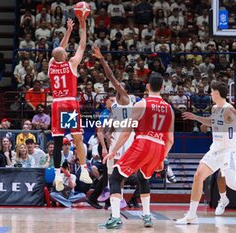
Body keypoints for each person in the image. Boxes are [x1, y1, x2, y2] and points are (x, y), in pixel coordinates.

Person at [176, 82, 236, 224]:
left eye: (212, 92)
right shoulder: (214, 108)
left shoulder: (229, 109)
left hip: (229, 151)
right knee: (198, 176)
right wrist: (196, 117)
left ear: (217, 93)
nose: (211, 94)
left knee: (233, 183)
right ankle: (192, 215)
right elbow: (212, 122)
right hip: (215, 150)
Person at [100, 75, 174, 229]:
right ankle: (147, 216)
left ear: (147, 87)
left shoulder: (141, 104)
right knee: (142, 177)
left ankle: (115, 218)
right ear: (162, 88)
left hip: (143, 142)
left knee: (115, 177)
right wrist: (162, 157)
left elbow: (126, 132)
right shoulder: (169, 109)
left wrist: (113, 151)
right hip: (159, 146)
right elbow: (171, 139)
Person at [48, 15, 92, 192]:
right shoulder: (72, 64)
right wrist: (83, 26)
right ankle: (84, 169)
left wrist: (67, 32)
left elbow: (59, 50)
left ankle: (58, 175)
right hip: (69, 103)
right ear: (65, 55)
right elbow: (82, 45)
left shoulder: (51, 65)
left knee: (58, 141)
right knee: (77, 137)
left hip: (56, 103)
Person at [92, 45, 135, 208]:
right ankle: (115, 195)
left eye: (121, 85)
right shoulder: (115, 104)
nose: (118, 86)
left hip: (126, 136)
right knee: (112, 167)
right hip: (117, 135)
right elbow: (110, 122)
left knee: (118, 167)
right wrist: (108, 135)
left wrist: (101, 59)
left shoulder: (125, 97)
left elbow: (110, 76)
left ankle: (118, 195)